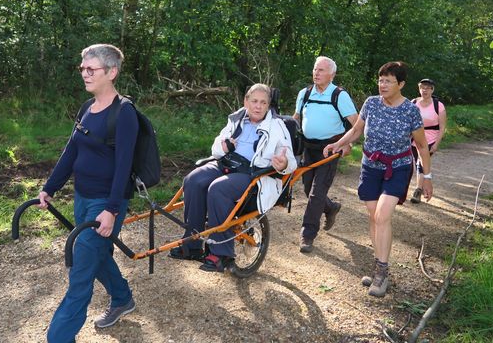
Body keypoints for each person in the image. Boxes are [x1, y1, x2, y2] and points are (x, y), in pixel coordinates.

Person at [38, 44, 137, 342]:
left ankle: (58, 337)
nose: (84, 73)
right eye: (82, 68)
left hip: (105, 204)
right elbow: (71, 151)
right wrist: (50, 187)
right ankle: (122, 298)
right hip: (82, 198)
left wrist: (112, 208)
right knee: (96, 253)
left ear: (111, 72)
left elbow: (123, 167)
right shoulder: (87, 108)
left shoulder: (124, 113)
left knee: (80, 271)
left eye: (91, 68)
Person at [324, 61, 432, 298]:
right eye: (380, 80)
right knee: (374, 218)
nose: (382, 85)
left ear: (401, 84)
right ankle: (378, 266)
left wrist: (426, 177)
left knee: (383, 216)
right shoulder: (371, 103)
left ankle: (382, 273)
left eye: (388, 81)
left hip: (398, 168)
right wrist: (338, 143)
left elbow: (422, 145)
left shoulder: (410, 110)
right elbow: (356, 131)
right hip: (370, 167)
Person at [168, 83, 297, 272]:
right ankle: (192, 245)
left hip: (251, 173)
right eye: (254, 101)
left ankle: (221, 255)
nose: (258, 106)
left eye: (263, 102)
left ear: (269, 105)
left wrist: (283, 163)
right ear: (246, 101)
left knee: (218, 189)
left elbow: (291, 161)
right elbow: (215, 149)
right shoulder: (236, 119)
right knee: (192, 180)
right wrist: (224, 147)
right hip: (225, 163)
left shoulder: (277, 127)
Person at [292, 56, 357, 253]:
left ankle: (307, 234)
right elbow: (296, 119)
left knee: (316, 192)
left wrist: (348, 144)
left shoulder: (339, 95)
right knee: (307, 189)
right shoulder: (304, 93)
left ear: (332, 74)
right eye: (315, 69)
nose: (316, 73)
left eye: (321, 70)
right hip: (308, 149)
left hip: (330, 149)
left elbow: (356, 123)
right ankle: (330, 208)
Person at [410, 78, 446, 203]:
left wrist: (436, 144)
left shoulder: (438, 105)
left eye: (427, 88)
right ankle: (426, 183)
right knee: (416, 162)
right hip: (414, 138)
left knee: (421, 162)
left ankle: (418, 190)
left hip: (431, 138)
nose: (424, 90)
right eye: (422, 87)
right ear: (419, 89)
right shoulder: (413, 102)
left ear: (432, 90)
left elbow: (442, 128)